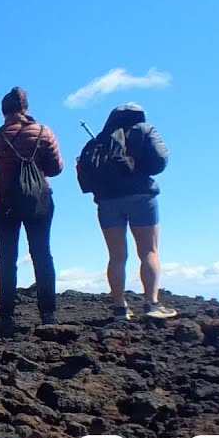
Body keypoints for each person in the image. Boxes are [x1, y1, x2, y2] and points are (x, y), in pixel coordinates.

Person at [0, 87, 64, 326]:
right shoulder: (44, 132)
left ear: (3, 111)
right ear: (25, 107)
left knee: (7, 258)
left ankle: (7, 314)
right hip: (39, 201)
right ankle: (48, 313)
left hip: (5, 204)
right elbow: (56, 168)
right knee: (42, 254)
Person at [82, 103, 177, 321]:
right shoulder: (144, 130)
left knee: (116, 255)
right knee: (148, 251)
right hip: (141, 196)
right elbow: (160, 161)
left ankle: (119, 308)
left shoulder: (99, 140)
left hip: (107, 201)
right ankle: (151, 304)